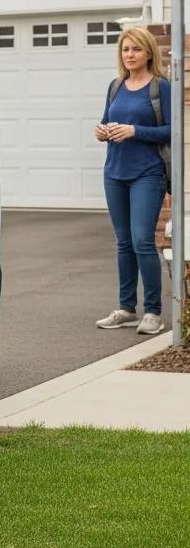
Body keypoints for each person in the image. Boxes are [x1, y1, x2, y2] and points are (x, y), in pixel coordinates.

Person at [94, 26, 171, 335]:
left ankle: (153, 312)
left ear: (149, 52)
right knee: (123, 243)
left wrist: (134, 131)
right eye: (126, 49)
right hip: (114, 171)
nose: (130, 55)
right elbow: (105, 120)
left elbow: (172, 130)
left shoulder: (160, 87)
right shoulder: (115, 86)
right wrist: (102, 131)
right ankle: (127, 308)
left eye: (136, 49)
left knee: (142, 241)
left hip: (147, 173)